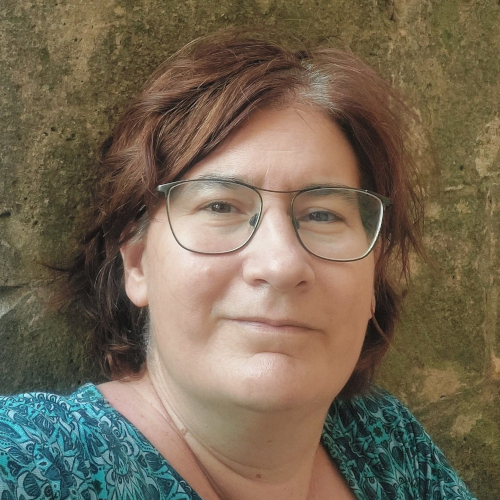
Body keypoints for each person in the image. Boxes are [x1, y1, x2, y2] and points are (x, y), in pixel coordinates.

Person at [0, 31, 477, 500]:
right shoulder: (32, 462)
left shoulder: (386, 443)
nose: (281, 264)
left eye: (323, 215)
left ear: (374, 273)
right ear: (138, 262)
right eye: (220, 207)